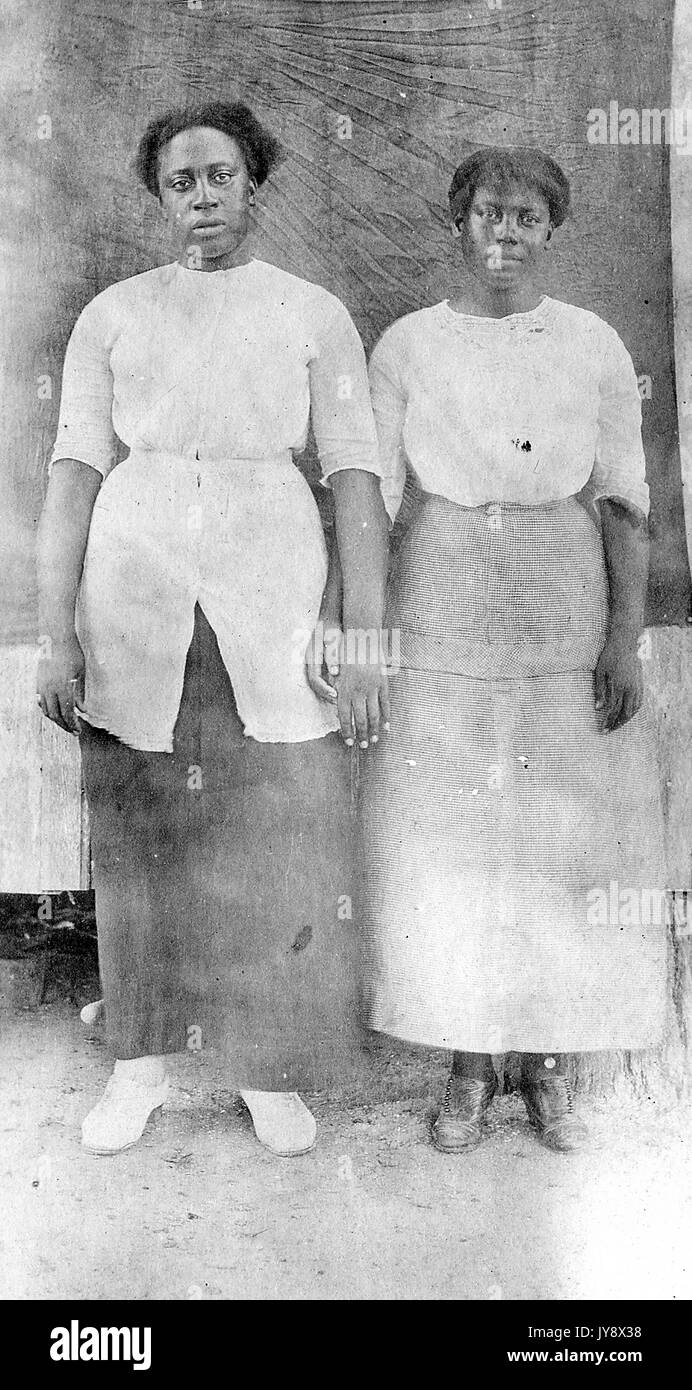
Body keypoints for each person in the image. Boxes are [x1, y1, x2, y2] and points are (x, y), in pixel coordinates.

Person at [36, 101, 389, 1158]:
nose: (202, 196)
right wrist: (58, 631)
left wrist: (361, 635)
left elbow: (357, 478)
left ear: (253, 185)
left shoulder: (312, 313)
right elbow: (70, 477)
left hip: (270, 589)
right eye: (181, 179)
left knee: (270, 834)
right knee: (141, 831)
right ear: (159, 194)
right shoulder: (113, 313)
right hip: (135, 595)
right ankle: (139, 1066)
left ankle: (267, 1068)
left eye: (221, 176)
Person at [357, 146, 668, 1153]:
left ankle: (546, 1066)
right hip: (441, 588)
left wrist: (620, 638)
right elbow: (375, 501)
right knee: (452, 834)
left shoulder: (590, 343)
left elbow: (623, 501)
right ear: (457, 224)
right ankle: (466, 1063)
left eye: (526, 217)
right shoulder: (405, 345)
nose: (505, 231)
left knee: (555, 835)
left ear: (550, 232)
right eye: (487, 212)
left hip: (559, 593)